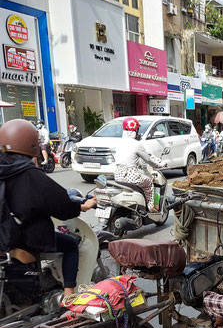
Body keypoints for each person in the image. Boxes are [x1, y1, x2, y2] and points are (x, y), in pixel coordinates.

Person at [0, 119, 96, 298]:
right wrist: (82, 205)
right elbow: (62, 206)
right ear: (31, 144)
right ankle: (69, 296)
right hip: (22, 238)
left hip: (3, 237)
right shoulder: (30, 175)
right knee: (70, 245)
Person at [114, 117, 168, 212]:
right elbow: (148, 159)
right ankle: (151, 207)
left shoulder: (118, 143)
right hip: (130, 175)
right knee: (148, 183)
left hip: (118, 175)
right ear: (135, 130)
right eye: (137, 130)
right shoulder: (136, 144)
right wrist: (159, 164)